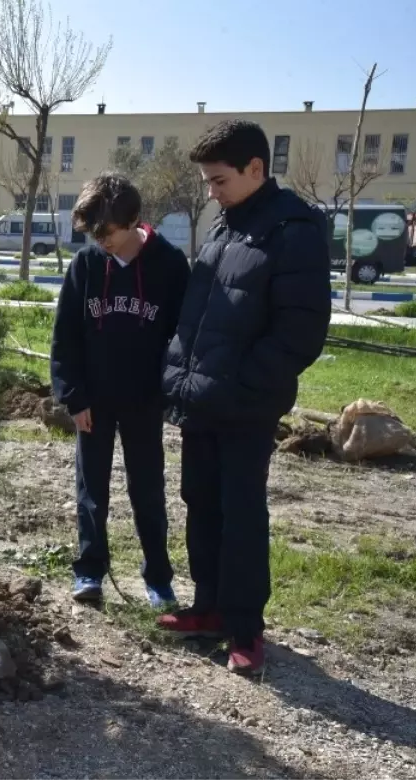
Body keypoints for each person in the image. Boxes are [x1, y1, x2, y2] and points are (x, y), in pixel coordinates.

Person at [158, 120, 331, 674]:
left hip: (247, 405)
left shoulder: (294, 230)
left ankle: (245, 628)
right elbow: (201, 311)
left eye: (219, 180)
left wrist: (242, 384)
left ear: (257, 169)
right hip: (202, 399)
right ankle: (208, 607)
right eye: (207, 181)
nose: (211, 191)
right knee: (200, 503)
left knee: (241, 514)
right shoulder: (226, 226)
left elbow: (300, 332)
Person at [50, 172, 190, 607]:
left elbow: (182, 337)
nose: (99, 240)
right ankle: (90, 570)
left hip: (144, 401)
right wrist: (73, 396)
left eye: (105, 231)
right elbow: (65, 336)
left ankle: (158, 579)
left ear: (132, 221)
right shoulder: (87, 266)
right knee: (91, 489)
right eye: (92, 233)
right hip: (93, 401)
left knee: (147, 490)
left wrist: (170, 394)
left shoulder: (169, 265)